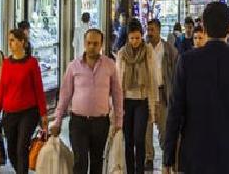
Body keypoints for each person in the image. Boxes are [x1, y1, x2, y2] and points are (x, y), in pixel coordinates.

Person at [163, 2, 229, 174]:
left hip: (196, 155)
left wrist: (168, 158)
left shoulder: (187, 62)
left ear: (204, 27)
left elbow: (175, 111)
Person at [53, 29, 124, 174]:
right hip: (78, 122)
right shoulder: (73, 66)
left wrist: (118, 121)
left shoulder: (110, 65)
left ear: (101, 44)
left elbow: (117, 94)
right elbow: (65, 95)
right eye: (89, 43)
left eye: (95, 43)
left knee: (97, 161)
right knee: (80, 161)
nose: (92, 46)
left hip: (100, 123)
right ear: (84, 43)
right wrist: (57, 121)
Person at [0, 29, 47, 174]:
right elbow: (1, 89)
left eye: (13, 40)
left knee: (22, 147)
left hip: (28, 112)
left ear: (22, 42)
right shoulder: (6, 63)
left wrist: (43, 114)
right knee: (11, 150)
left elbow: (39, 89)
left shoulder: (31, 63)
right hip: (9, 113)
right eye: (9, 40)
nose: (10, 43)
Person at [116, 19, 158, 174]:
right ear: (127, 37)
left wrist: (155, 102)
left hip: (142, 100)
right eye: (132, 38)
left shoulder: (148, 51)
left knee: (139, 138)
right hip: (126, 101)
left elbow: (153, 77)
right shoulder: (122, 53)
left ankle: (140, 170)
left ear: (142, 36)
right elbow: (118, 80)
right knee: (128, 140)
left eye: (137, 38)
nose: (135, 41)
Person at [145, 19, 178, 171]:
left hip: (163, 92)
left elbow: (176, 71)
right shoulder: (144, 49)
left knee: (164, 128)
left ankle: (167, 158)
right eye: (148, 30)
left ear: (158, 30)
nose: (150, 33)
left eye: (152, 30)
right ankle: (148, 157)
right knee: (147, 129)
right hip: (147, 93)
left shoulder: (168, 49)